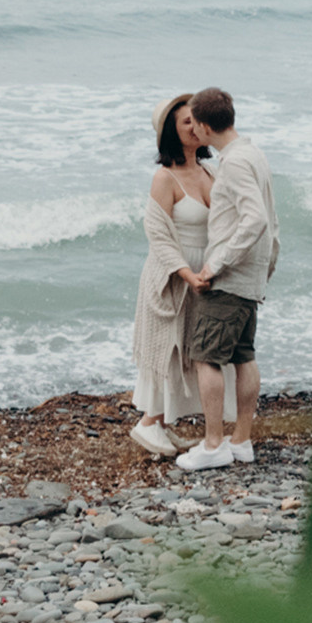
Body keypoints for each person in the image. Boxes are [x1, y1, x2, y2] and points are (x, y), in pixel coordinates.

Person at [175, 86, 276, 472]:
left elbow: (256, 219)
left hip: (232, 277)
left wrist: (216, 265)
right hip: (250, 277)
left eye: (193, 124)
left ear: (202, 126)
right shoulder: (254, 154)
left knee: (206, 358)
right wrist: (266, 267)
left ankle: (214, 443)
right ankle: (242, 441)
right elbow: (272, 222)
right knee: (242, 355)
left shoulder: (232, 164)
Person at [128, 94, 231, 456]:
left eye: (196, 120)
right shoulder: (164, 177)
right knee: (166, 349)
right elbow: (156, 234)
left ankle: (164, 424)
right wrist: (186, 273)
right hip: (173, 276)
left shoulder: (211, 170)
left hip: (207, 272)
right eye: (186, 122)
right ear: (172, 133)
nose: (195, 127)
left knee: (192, 350)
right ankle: (147, 422)